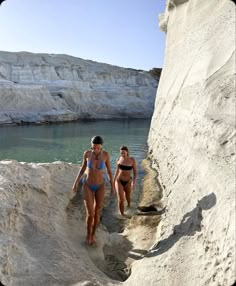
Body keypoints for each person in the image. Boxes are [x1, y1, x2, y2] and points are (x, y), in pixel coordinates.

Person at [72, 135, 114, 245]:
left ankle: (93, 234)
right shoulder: (87, 154)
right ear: (91, 146)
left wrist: (112, 186)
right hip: (88, 185)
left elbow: (109, 171)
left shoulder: (105, 155)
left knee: (97, 212)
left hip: (100, 186)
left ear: (101, 147)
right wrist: (75, 183)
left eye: (98, 148)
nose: (95, 150)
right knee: (90, 214)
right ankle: (88, 235)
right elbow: (82, 168)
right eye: (93, 148)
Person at [113, 146, 137, 216]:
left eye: (124, 153)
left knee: (128, 197)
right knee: (120, 199)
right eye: (121, 153)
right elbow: (117, 171)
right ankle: (122, 214)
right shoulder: (118, 159)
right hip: (119, 181)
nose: (122, 154)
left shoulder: (132, 160)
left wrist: (134, 182)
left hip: (128, 181)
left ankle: (129, 205)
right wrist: (113, 181)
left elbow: (135, 172)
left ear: (127, 152)